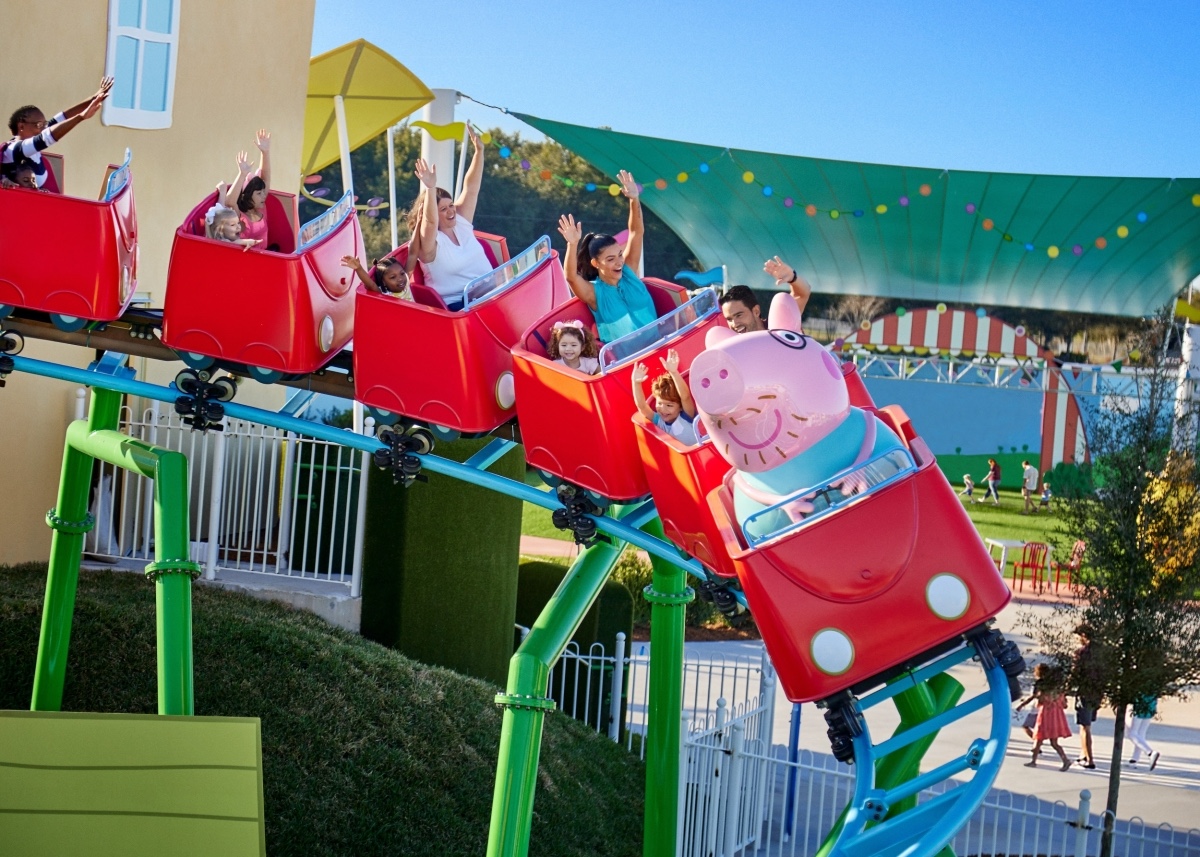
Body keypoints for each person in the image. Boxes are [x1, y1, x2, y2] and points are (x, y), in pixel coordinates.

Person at [558, 170, 658, 342]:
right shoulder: (594, 293)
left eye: (619, 255)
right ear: (596, 263)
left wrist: (634, 199)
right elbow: (571, 277)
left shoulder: (629, 271)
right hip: (627, 358)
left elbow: (636, 232)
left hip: (660, 347)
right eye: (611, 259)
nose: (619, 262)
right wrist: (572, 244)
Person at [410, 127, 491, 308]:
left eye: (451, 205)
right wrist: (430, 188)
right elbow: (430, 222)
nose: (450, 211)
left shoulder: (460, 222)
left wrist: (479, 152)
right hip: (459, 306)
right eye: (443, 209)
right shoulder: (429, 243)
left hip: (491, 293)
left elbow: (471, 189)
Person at [3, 77, 113, 188]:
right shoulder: (14, 150)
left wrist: (95, 97)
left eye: (44, 124)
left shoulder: (33, 143)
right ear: (21, 126)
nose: (43, 128)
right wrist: (81, 117)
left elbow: (63, 117)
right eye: (39, 125)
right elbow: (45, 138)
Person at [632, 349, 697, 445]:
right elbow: (642, 406)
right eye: (659, 403)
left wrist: (673, 372)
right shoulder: (659, 421)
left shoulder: (687, 416)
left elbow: (685, 396)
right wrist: (636, 383)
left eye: (669, 405)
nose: (663, 409)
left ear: (680, 407)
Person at [1018, 663, 1073, 771]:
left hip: (1045, 714)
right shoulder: (1057, 689)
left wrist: (1022, 705)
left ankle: (1034, 761)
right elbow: (1064, 704)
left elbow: (1038, 699)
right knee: (1054, 742)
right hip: (1056, 716)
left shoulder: (1042, 686)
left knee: (1038, 737)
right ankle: (1065, 760)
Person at [223, 130, 272, 248]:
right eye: (259, 193)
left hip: (265, 256)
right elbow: (229, 202)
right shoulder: (240, 216)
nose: (263, 195)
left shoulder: (261, 208)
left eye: (263, 192)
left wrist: (265, 152)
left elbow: (265, 177)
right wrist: (242, 174)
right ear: (247, 195)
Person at [1072, 624, 1101, 769]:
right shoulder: (1101, 651)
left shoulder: (1082, 653)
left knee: (1085, 727)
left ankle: (1089, 759)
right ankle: (1083, 754)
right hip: (1097, 692)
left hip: (1084, 692)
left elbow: (1075, 673)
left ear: (1083, 635)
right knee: (1086, 725)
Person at [341, 255, 413, 301]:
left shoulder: (406, 282)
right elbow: (370, 284)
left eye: (402, 273)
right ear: (384, 282)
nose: (400, 279)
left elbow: (412, 255)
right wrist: (358, 268)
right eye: (393, 277)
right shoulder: (385, 295)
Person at [1126, 694, 1160, 770]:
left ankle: (1150, 752)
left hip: (1138, 706)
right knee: (1141, 734)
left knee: (1131, 733)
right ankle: (1134, 759)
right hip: (1150, 705)